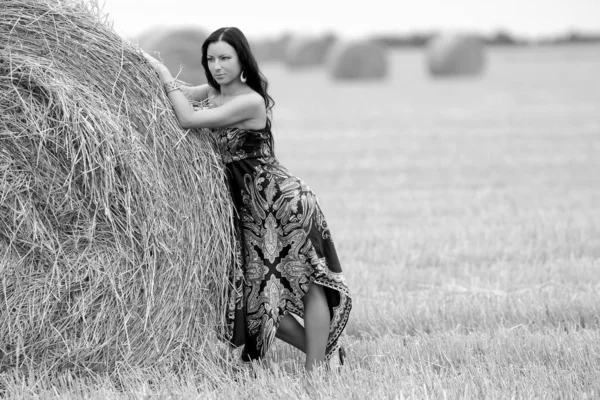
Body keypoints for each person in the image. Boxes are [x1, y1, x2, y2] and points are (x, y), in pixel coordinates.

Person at [142, 27, 352, 375]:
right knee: (255, 299)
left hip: (283, 201)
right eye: (211, 59)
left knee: (307, 283)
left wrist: (164, 73)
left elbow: (187, 118)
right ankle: (327, 352)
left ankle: (316, 375)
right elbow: (177, 95)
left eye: (225, 58)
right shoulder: (212, 93)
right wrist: (142, 63)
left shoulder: (250, 100)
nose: (217, 66)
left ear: (242, 62)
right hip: (251, 211)